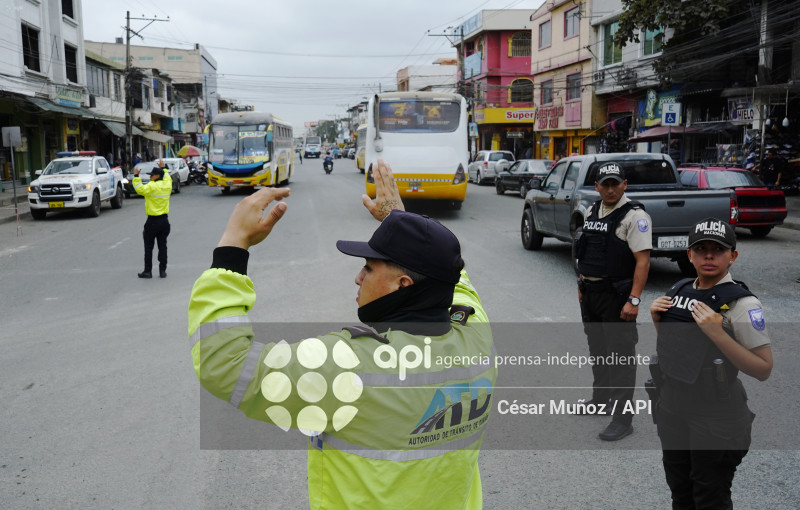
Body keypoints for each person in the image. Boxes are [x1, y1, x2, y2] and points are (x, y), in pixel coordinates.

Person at [188, 159, 496, 509]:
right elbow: (453, 278)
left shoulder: (348, 367)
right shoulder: (477, 337)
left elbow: (226, 365)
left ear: (404, 284)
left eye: (368, 267)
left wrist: (232, 248)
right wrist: (402, 226)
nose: (357, 278)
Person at [649, 218, 773, 509]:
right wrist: (658, 320)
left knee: (709, 498)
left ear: (732, 256)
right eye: (701, 248)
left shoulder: (743, 304)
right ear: (689, 254)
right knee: (680, 491)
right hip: (673, 405)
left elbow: (763, 369)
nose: (708, 256)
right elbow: (681, 349)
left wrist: (718, 333)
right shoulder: (679, 290)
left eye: (717, 249)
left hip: (716, 414)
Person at [575, 161, 652, 441]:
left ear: (624, 185)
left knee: (620, 358)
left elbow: (643, 261)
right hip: (591, 294)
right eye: (604, 184)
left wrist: (634, 300)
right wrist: (581, 283)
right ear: (596, 187)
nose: (610, 189)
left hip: (617, 297)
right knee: (597, 350)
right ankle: (601, 400)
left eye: (615, 183)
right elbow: (585, 248)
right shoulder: (592, 210)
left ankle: (623, 419)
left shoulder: (635, 216)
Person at [133, 160, 172, 278]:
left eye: (152, 175)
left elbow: (139, 189)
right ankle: (162, 271)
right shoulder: (167, 185)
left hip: (152, 222)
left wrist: (136, 176)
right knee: (162, 246)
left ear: (157, 176)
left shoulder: (151, 186)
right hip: (164, 221)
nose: (150, 177)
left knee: (149, 247)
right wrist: (164, 168)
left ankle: (148, 271)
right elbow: (168, 177)